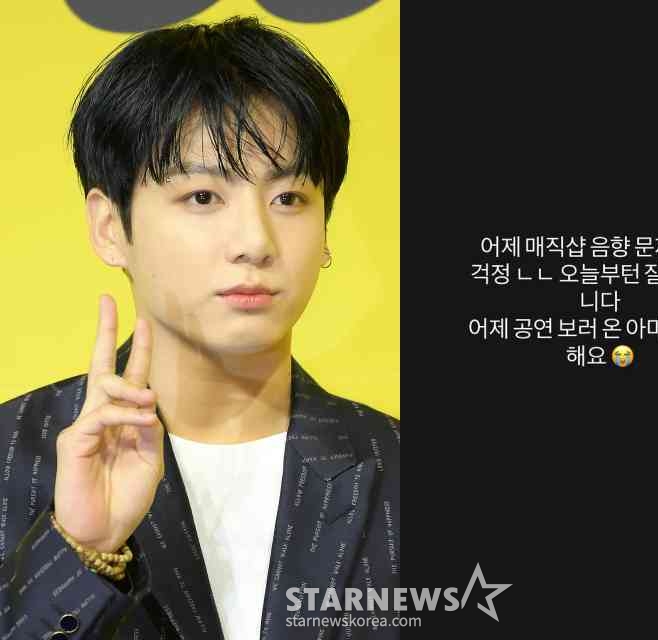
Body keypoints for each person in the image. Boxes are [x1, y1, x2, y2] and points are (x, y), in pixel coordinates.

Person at [0, 16, 399, 639]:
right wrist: (82, 552)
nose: (255, 241)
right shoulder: (12, 454)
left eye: (289, 198)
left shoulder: (393, 466)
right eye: (203, 198)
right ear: (110, 227)